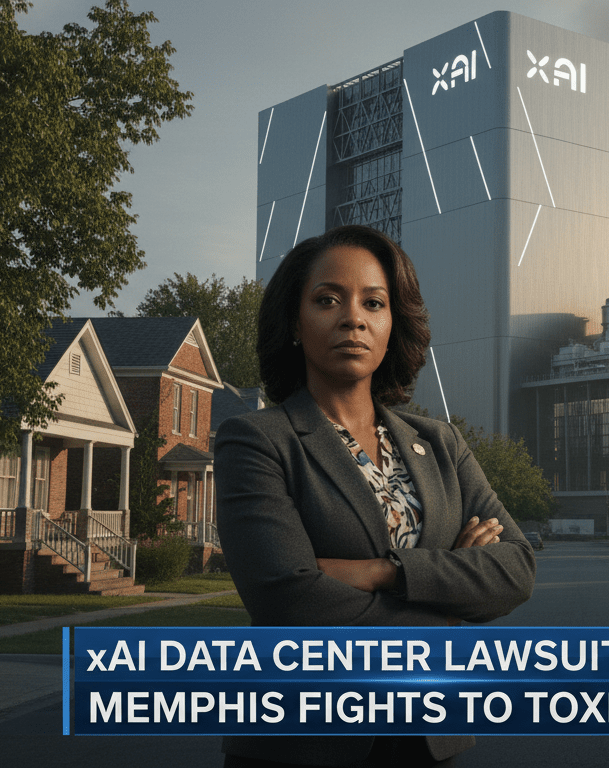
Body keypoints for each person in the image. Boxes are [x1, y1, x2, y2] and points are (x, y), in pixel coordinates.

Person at [214, 225, 537, 767]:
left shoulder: (441, 443)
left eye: (374, 302)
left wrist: (387, 573)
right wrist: (449, 601)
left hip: (429, 742)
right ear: (294, 321)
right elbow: (288, 601)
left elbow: (517, 569)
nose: (353, 318)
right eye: (327, 300)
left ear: (393, 324)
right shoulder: (256, 440)